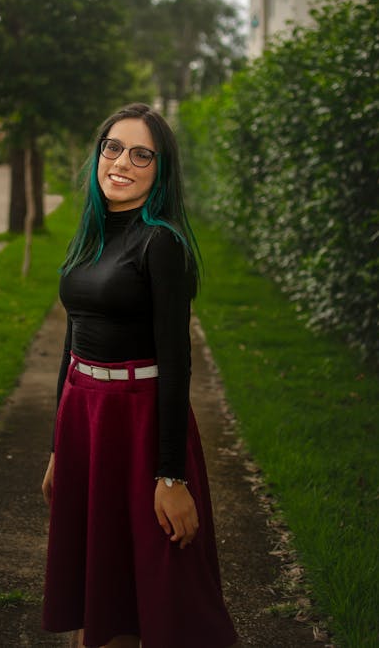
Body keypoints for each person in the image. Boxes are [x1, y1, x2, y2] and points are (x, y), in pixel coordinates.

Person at [42, 103, 239, 648]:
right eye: (112, 147)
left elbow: (177, 362)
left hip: (138, 420)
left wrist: (170, 477)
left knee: (158, 593)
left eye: (141, 154)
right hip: (84, 417)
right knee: (98, 587)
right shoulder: (90, 234)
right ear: (97, 154)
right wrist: (59, 446)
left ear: (161, 170)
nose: (121, 161)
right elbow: (71, 339)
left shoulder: (162, 244)